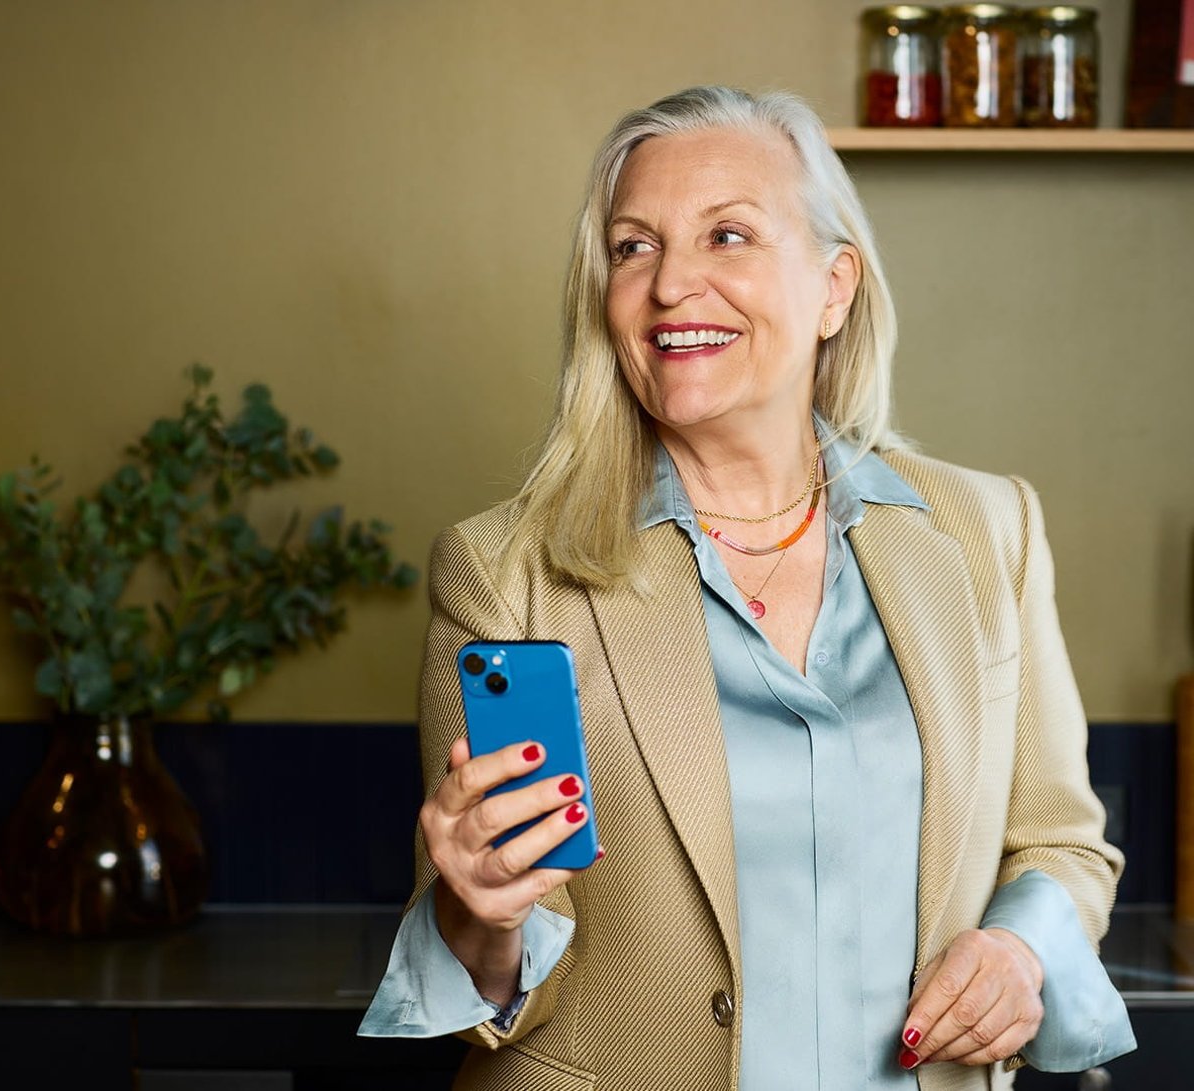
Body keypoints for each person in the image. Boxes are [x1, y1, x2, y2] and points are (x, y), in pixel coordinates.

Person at [358, 86, 1136, 1090]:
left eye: (727, 234)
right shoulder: (503, 572)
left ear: (833, 289)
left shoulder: (992, 531)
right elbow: (491, 984)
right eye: (634, 247)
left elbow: (1063, 842)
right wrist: (480, 911)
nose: (673, 283)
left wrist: (1019, 949)